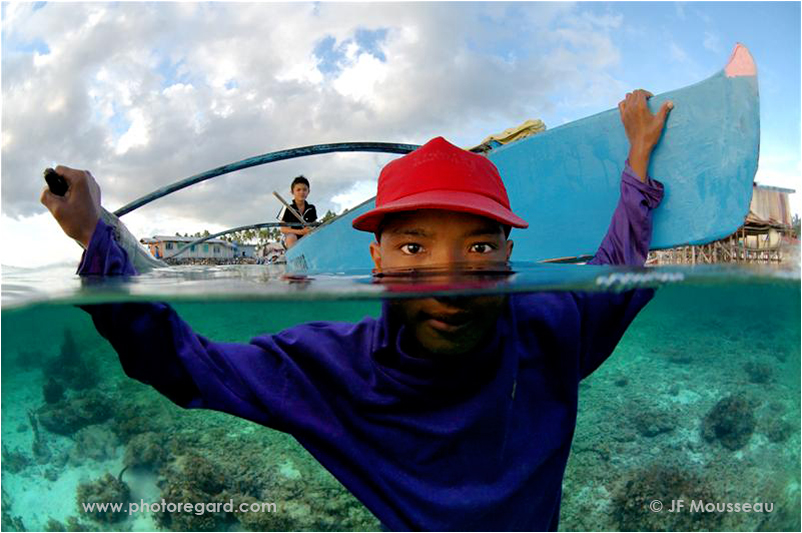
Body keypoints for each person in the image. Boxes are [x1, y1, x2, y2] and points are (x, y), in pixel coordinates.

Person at [41, 90, 671, 531]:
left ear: (510, 251)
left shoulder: (554, 325)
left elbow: (618, 265)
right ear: (375, 257)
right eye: (414, 247)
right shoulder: (330, 367)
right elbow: (183, 364)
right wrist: (95, 236)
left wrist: (638, 164)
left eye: (478, 247)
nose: (445, 281)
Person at [278, 175, 317, 249]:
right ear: (292, 192)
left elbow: (314, 224)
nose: (302, 192)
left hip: (307, 236)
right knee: (291, 237)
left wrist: (311, 230)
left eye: (304, 190)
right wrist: (301, 231)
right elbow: (283, 229)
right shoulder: (286, 208)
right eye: (298, 190)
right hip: (291, 238)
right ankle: (295, 259)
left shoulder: (311, 208)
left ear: (308, 191)